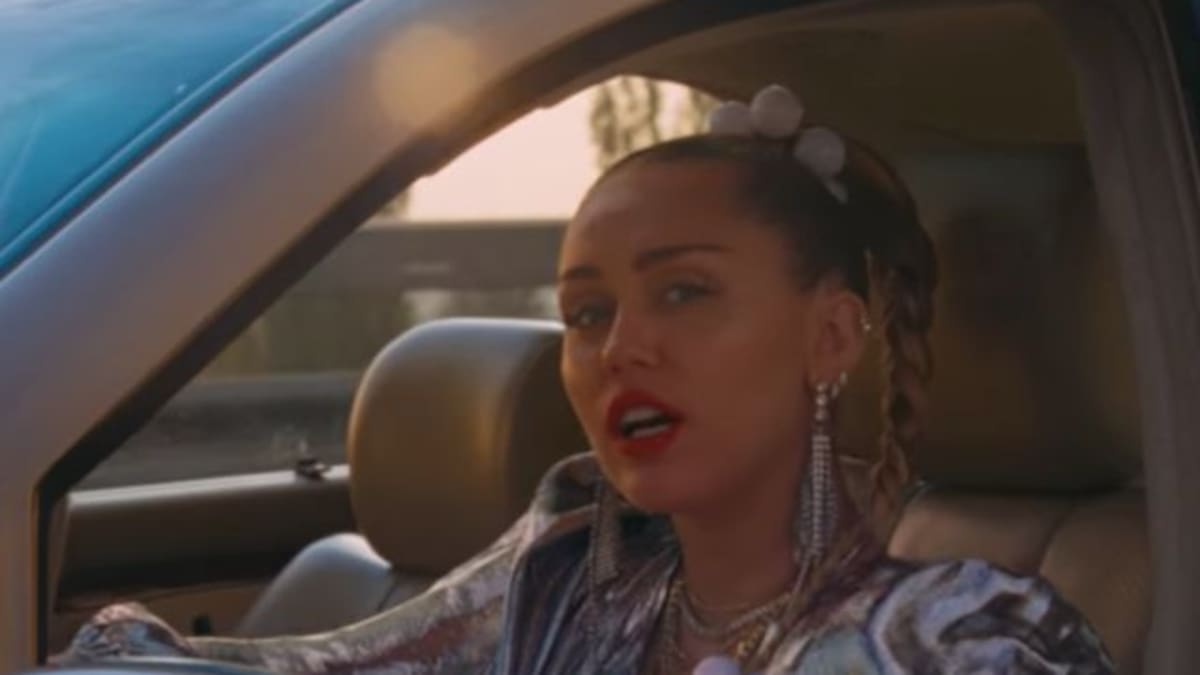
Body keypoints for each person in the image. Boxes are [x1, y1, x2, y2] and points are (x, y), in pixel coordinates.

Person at [57, 85, 1113, 674]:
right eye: (586, 314)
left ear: (831, 336)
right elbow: (323, 668)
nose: (621, 349)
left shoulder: (960, 642)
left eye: (685, 292)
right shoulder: (570, 567)